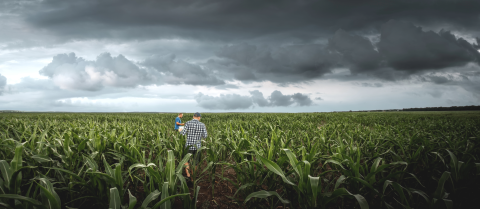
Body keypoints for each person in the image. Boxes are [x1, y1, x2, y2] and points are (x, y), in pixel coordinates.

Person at [180, 112, 207, 179]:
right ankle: (193, 177)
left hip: (189, 146)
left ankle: (188, 175)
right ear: (199, 117)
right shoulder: (202, 125)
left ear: (193, 117)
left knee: (186, 161)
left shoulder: (188, 123)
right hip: (197, 147)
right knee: (195, 162)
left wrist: (180, 130)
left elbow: (182, 133)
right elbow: (205, 136)